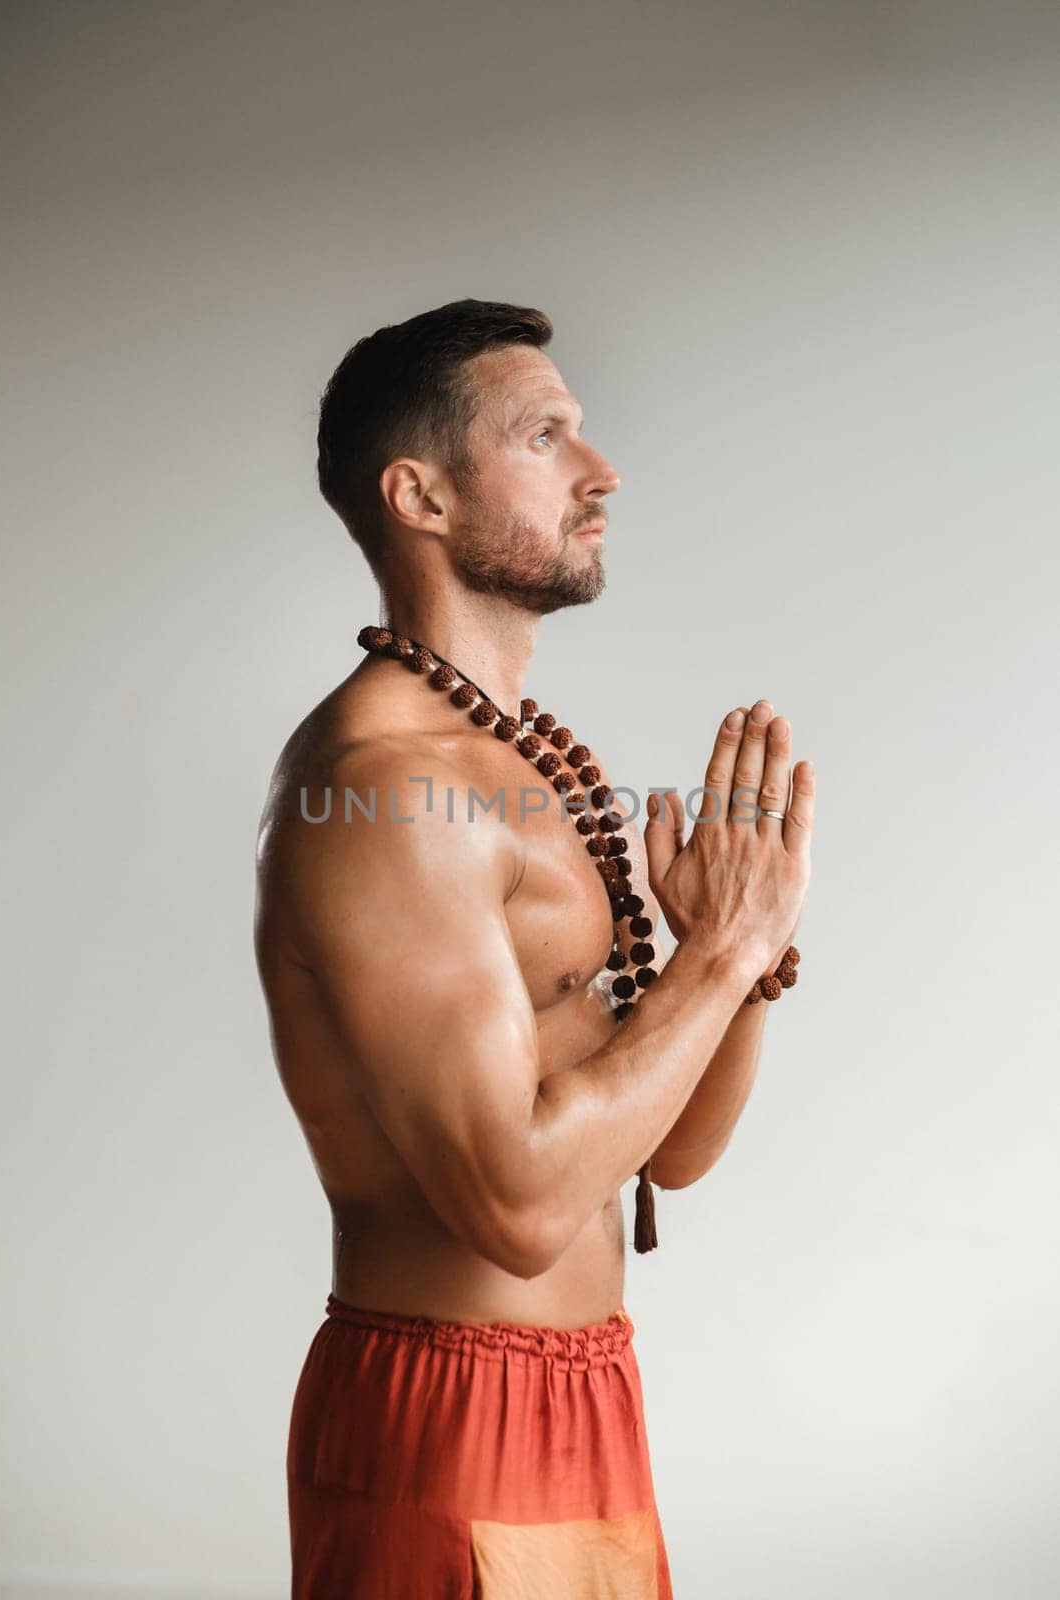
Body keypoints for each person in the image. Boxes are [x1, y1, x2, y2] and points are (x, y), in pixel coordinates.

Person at [253, 298, 815, 1597]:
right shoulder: (386, 786)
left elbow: (669, 1151)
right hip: (451, 1413)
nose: (600, 467)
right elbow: (513, 1208)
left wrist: (734, 954)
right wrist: (722, 961)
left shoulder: (518, 767)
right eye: (546, 434)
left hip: (587, 1397)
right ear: (422, 497)